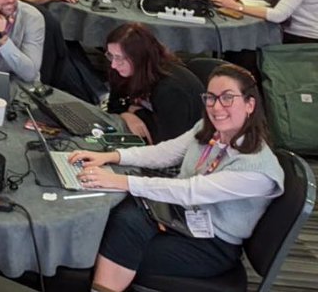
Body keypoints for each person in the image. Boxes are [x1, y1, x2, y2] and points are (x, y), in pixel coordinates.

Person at [69, 64, 284, 292]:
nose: (216, 106)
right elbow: (165, 153)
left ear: (250, 104)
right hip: (182, 217)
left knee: (114, 244)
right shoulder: (210, 129)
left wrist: (122, 182)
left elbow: (190, 190)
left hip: (212, 244)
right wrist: (111, 156)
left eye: (227, 98)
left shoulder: (257, 170)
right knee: (123, 218)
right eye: (210, 98)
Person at [102, 23, 204, 144]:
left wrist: (137, 112)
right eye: (111, 55)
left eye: (119, 58)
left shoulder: (170, 89)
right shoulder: (121, 71)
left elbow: (170, 145)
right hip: (152, 134)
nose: (113, 65)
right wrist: (127, 114)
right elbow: (113, 107)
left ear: (139, 57)